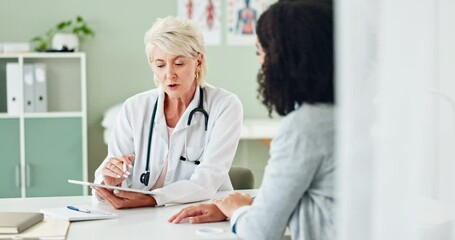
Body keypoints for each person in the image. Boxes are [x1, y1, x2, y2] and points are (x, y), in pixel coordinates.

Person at [169, 1, 335, 239]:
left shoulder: (305, 128)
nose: (261, 62)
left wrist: (238, 211)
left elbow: (260, 232)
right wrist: (246, 205)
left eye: (260, 51)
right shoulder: (350, 116)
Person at [92, 16, 243, 209]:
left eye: (179, 63)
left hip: (200, 214)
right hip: (138, 218)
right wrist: (110, 179)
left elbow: (208, 179)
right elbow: (111, 168)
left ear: (198, 62)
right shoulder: (134, 108)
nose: (169, 74)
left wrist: (152, 198)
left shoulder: (224, 105)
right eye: (160, 64)